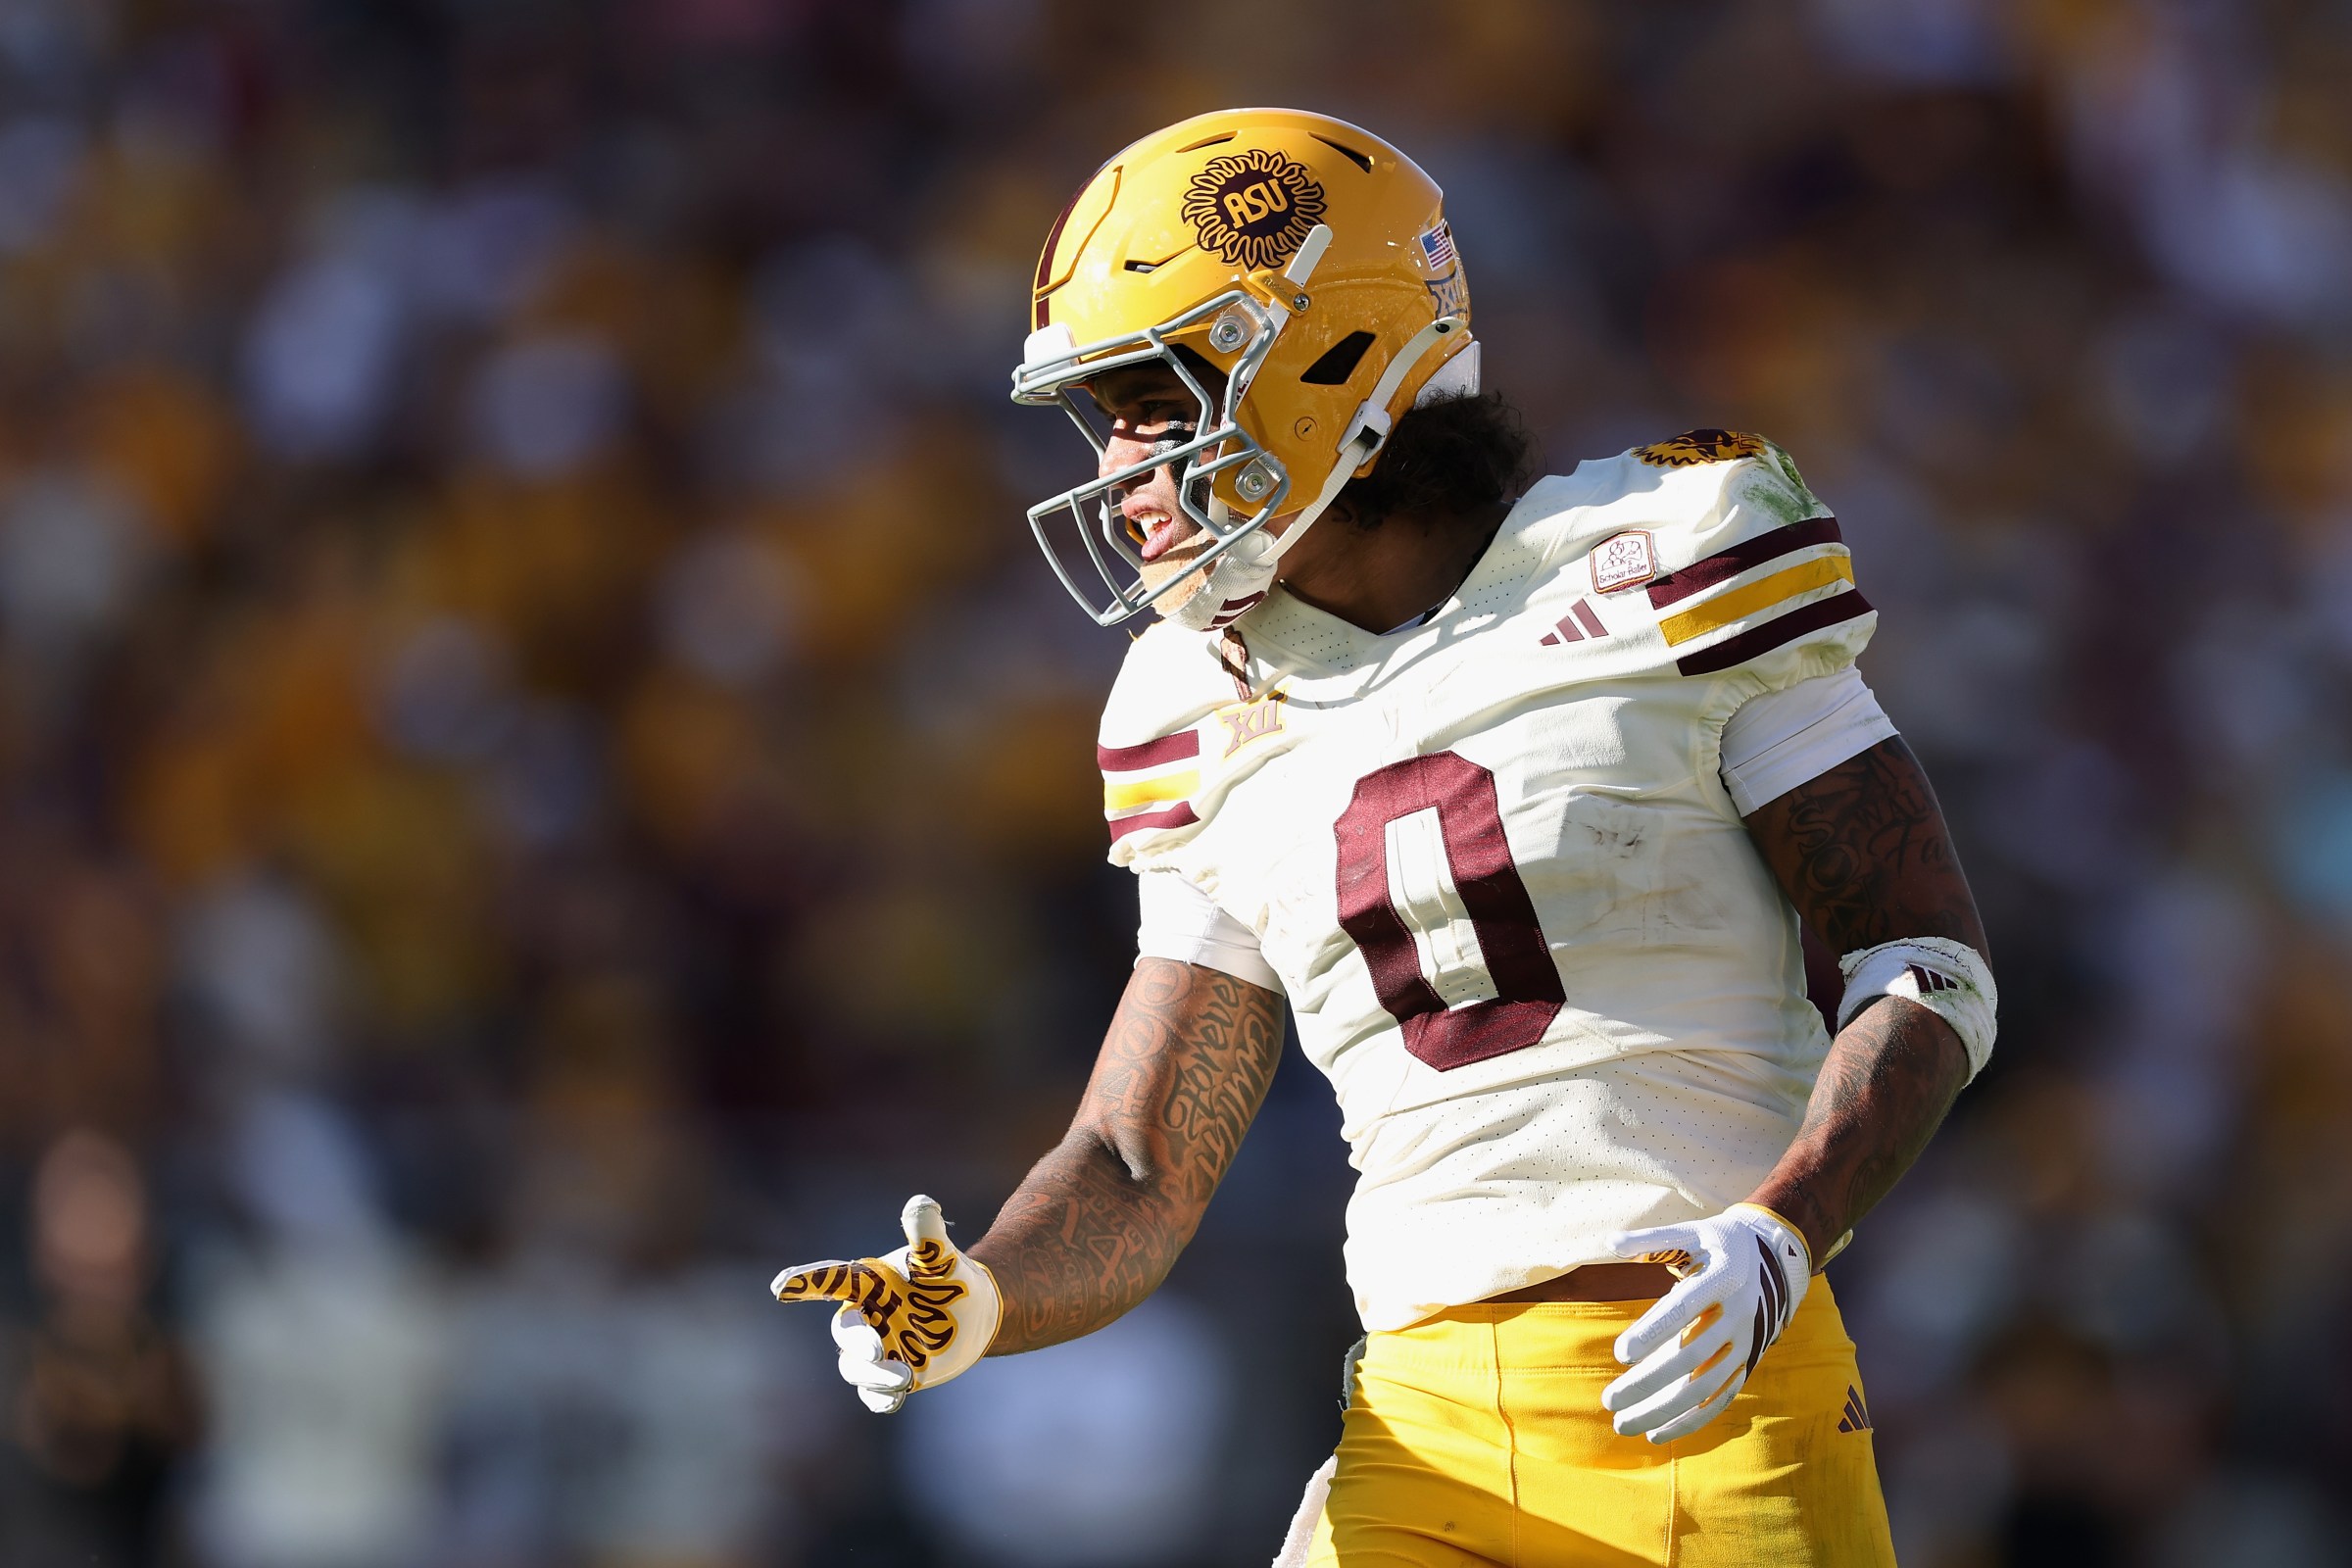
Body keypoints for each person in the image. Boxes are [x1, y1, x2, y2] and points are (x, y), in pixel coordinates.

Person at [771, 108, 1995, 1568]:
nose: (1123, 471)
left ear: (1324, 361)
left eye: (1155, 405)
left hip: (1712, 1395)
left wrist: (1784, 1229)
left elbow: (1923, 960)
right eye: (1104, 420)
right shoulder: (1196, 702)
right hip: (1421, 1431)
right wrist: (976, 1296)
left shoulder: (1661, 556)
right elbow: (1137, 1162)